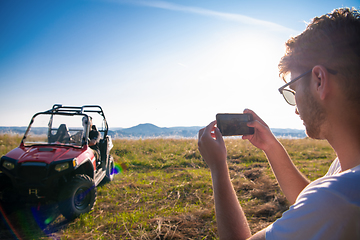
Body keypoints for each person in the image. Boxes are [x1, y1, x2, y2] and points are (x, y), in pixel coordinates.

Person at [198, 7, 360, 240]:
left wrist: (218, 168)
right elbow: (312, 205)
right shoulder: (346, 172)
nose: (295, 107)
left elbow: (323, 205)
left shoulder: (338, 199)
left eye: (293, 90)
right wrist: (272, 147)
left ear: (319, 80)